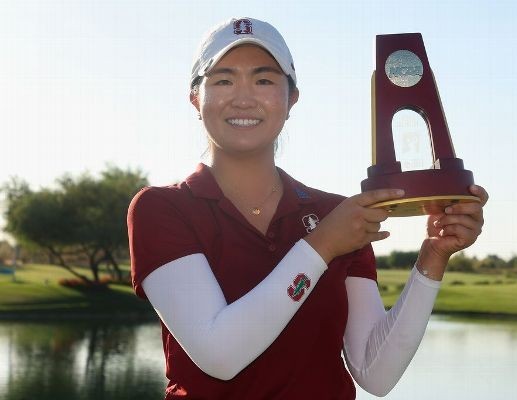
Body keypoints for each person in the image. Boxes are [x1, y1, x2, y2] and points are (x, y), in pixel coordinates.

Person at [127, 17, 488, 399]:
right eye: (223, 80)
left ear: (291, 98)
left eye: (264, 80)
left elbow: (375, 372)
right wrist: (322, 246)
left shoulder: (334, 212)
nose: (244, 97)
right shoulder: (161, 209)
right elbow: (220, 355)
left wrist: (433, 256)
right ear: (195, 98)